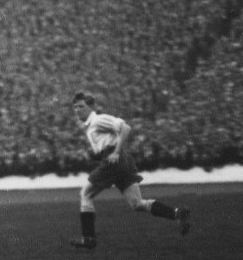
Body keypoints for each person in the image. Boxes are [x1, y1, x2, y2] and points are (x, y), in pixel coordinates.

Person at [69, 91, 191, 250]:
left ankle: (89, 238)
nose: (78, 110)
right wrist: (99, 154)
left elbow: (125, 128)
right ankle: (177, 213)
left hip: (114, 161)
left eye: (81, 106)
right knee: (137, 203)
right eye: (75, 107)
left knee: (85, 194)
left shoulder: (98, 120)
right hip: (121, 162)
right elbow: (106, 144)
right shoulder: (90, 127)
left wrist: (115, 152)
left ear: (91, 107)